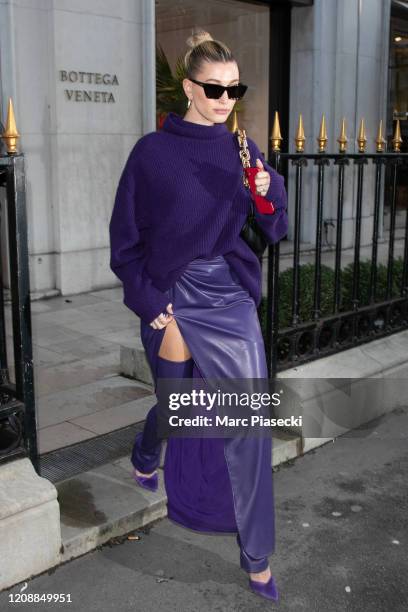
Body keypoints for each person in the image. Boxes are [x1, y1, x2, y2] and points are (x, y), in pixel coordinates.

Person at [109, 27, 288, 602]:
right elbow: (125, 243)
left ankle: (257, 555)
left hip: (226, 294)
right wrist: (151, 303)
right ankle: (145, 452)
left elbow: (276, 224)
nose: (227, 102)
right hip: (169, 295)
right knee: (178, 403)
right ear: (188, 88)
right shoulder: (151, 153)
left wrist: (266, 190)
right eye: (215, 90)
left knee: (248, 419)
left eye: (236, 90)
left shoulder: (241, 149)